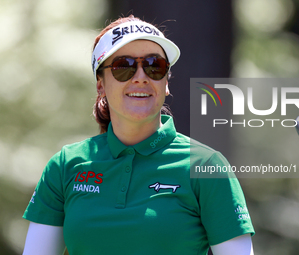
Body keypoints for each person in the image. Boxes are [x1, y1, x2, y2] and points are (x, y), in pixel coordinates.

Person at [22, 15, 255, 255]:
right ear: (100, 84)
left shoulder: (207, 166)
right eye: (124, 66)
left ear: (166, 82)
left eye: (155, 65)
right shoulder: (64, 166)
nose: (141, 76)